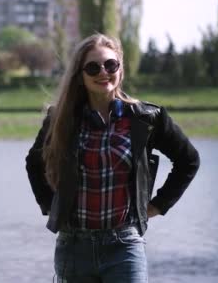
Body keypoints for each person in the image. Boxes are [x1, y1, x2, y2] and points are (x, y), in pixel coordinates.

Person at [25, 34, 200, 282]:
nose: (103, 72)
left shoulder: (146, 118)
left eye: (111, 65)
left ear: (120, 68)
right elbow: (34, 164)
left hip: (124, 245)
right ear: (80, 75)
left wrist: (157, 206)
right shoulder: (61, 119)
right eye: (93, 67)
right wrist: (52, 207)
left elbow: (188, 160)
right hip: (74, 247)